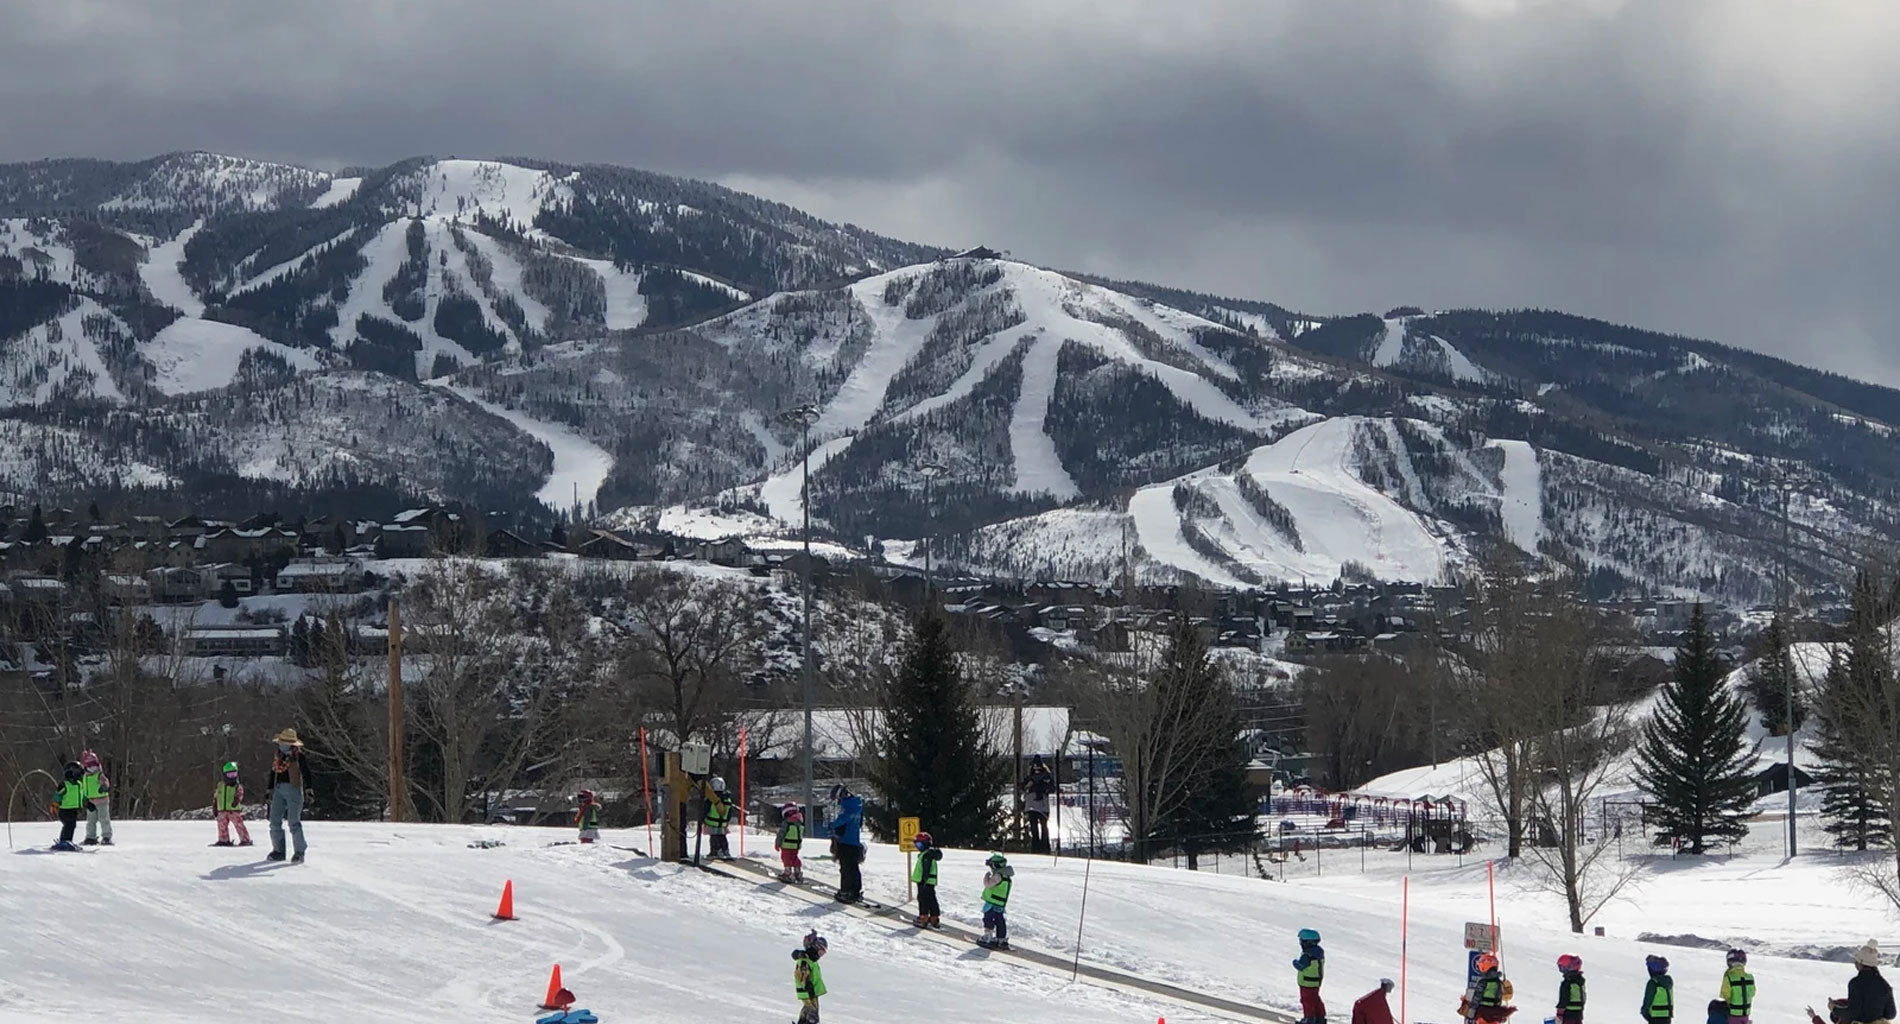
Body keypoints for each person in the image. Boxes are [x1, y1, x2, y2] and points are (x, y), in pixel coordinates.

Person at [266, 728, 310, 863]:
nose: (281, 745)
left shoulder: (298, 757)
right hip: (279, 789)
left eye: (283, 742)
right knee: (274, 821)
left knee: (293, 822)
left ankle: (299, 852)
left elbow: (306, 773)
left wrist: (309, 788)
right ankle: (278, 850)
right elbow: (273, 773)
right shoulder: (278, 757)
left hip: (294, 789)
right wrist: (269, 789)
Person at [1830, 941, 1894, 1024]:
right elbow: (1891, 1014)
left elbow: (1852, 1012)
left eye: (1856, 961)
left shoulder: (1856, 983)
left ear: (1860, 963)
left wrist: (1834, 1009)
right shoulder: (1884, 985)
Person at [828, 784, 865, 903]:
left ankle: (846, 890)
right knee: (854, 867)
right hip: (854, 841)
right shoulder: (857, 805)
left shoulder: (848, 808)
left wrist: (832, 826)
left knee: (846, 868)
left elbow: (840, 821)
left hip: (846, 842)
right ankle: (855, 890)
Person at [979, 852, 1014, 950]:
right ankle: (1001, 938)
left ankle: (988, 936)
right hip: (1000, 904)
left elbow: (988, 884)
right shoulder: (1007, 878)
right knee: (1000, 920)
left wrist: (986, 877)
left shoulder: (998, 876)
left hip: (991, 903)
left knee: (988, 919)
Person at [213, 761, 252, 847]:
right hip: (222, 810)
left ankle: (245, 839)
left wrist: (236, 800)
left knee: (239, 825)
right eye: (230, 775)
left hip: (234, 810)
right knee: (222, 825)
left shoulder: (237, 786)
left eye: (234, 774)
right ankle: (223, 839)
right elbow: (216, 796)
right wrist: (215, 806)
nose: (232, 777)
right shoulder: (220, 785)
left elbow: (240, 794)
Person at [792, 930, 828, 1024]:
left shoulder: (811, 961)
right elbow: (803, 978)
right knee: (813, 1017)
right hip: (808, 993)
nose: (821, 956)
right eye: (821, 952)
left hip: (810, 993)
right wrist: (809, 990)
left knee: (807, 1013)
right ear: (815, 948)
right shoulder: (805, 961)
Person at [48, 761, 85, 851]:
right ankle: (64, 841)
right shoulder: (64, 785)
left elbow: (81, 795)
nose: (80, 776)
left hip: (73, 809)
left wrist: (88, 803)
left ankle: (67, 840)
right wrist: (55, 804)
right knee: (69, 824)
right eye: (78, 773)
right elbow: (58, 795)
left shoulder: (79, 784)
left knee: (71, 825)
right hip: (65, 810)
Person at [1470, 952, 1515, 1024]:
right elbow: (1499, 997)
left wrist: (1472, 1009)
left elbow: (1477, 997)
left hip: (1483, 1012)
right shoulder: (1499, 982)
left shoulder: (1483, 982)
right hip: (1495, 1013)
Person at [79, 749, 113, 846]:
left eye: (94, 766)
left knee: (104, 819)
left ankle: (106, 836)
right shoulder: (85, 777)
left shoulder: (99, 775)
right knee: (91, 820)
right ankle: (91, 837)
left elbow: (106, 782)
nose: (92, 768)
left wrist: (104, 787)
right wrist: (84, 799)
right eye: (90, 766)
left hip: (101, 800)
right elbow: (84, 788)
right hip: (91, 801)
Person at [1024, 755, 1056, 853]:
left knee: (1043, 827)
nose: (1036, 769)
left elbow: (1052, 788)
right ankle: (1037, 848)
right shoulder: (1029, 778)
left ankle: (1043, 848)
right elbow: (1023, 787)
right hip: (1033, 805)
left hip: (1042, 805)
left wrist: (1041, 788)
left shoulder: (1046, 777)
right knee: (1035, 828)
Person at [1295, 928, 1328, 1024]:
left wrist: (1295, 962)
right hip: (1316, 982)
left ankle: (1309, 1018)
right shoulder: (1319, 953)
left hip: (1307, 983)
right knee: (1315, 999)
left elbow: (1300, 966)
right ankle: (1320, 1017)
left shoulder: (1307, 955)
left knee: (1306, 1000)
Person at [911, 831, 942, 929]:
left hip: (924, 881)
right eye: (916, 845)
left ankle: (923, 918)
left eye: (919, 845)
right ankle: (934, 917)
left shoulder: (926, 856)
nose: (918, 847)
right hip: (930, 882)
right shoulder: (929, 854)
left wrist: (924, 880)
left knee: (923, 899)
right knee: (931, 899)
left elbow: (926, 868)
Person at [702, 776, 735, 860]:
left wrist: (702, 818)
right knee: (722, 837)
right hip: (723, 823)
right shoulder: (727, 799)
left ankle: (714, 852)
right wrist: (727, 821)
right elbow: (729, 812)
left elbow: (705, 809)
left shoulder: (711, 798)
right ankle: (725, 850)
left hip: (711, 822)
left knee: (713, 837)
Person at [1719, 949, 1754, 1024]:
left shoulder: (1729, 978)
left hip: (1733, 1015)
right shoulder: (1750, 978)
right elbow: (1753, 993)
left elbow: (1724, 996)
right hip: (1745, 1015)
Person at [775, 803, 806, 883]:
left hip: (786, 845)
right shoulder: (799, 822)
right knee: (794, 858)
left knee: (786, 858)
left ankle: (787, 873)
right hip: (796, 846)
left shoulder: (786, 822)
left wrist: (777, 843)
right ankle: (797, 872)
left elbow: (781, 834)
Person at [1643, 956, 1675, 1024]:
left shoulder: (1653, 982)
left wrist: (1644, 1012)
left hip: (1655, 1017)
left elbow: (1648, 998)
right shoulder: (1668, 981)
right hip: (1667, 1017)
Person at [1556, 953, 1586, 1024]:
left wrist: (1559, 1013)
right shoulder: (1580, 981)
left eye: (1563, 968)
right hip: (1578, 1013)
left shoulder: (1567, 982)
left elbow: (1564, 998)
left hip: (1568, 1014)